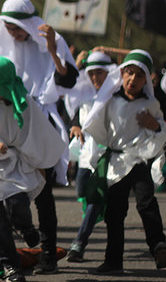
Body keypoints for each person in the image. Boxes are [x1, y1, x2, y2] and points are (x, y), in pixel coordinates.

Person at [0, 0, 78, 274]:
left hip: (36, 121)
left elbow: (68, 79)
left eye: (19, 27)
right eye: (9, 27)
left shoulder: (49, 42)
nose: (15, 33)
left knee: (43, 193)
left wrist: (53, 50)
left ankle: (48, 253)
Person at [0, 57, 65, 282]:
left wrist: (39, 164)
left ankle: (27, 228)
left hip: (18, 163)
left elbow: (39, 135)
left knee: (18, 206)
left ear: (4, 86)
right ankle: (10, 267)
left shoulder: (25, 104)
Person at [82, 49, 166, 274]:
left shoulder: (151, 105)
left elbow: (162, 130)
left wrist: (154, 125)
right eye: (129, 73)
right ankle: (113, 261)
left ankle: (158, 245)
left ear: (146, 79)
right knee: (115, 212)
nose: (133, 79)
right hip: (116, 164)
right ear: (122, 74)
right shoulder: (110, 101)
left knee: (146, 203)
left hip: (139, 162)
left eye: (139, 75)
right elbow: (94, 121)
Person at [63, 51, 115, 262]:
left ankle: (79, 243)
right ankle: (95, 214)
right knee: (82, 190)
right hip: (85, 154)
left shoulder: (115, 93)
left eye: (100, 73)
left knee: (95, 198)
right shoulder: (85, 92)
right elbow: (74, 107)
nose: (95, 78)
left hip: (105, 154)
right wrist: (74, 124)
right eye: (91, 73)